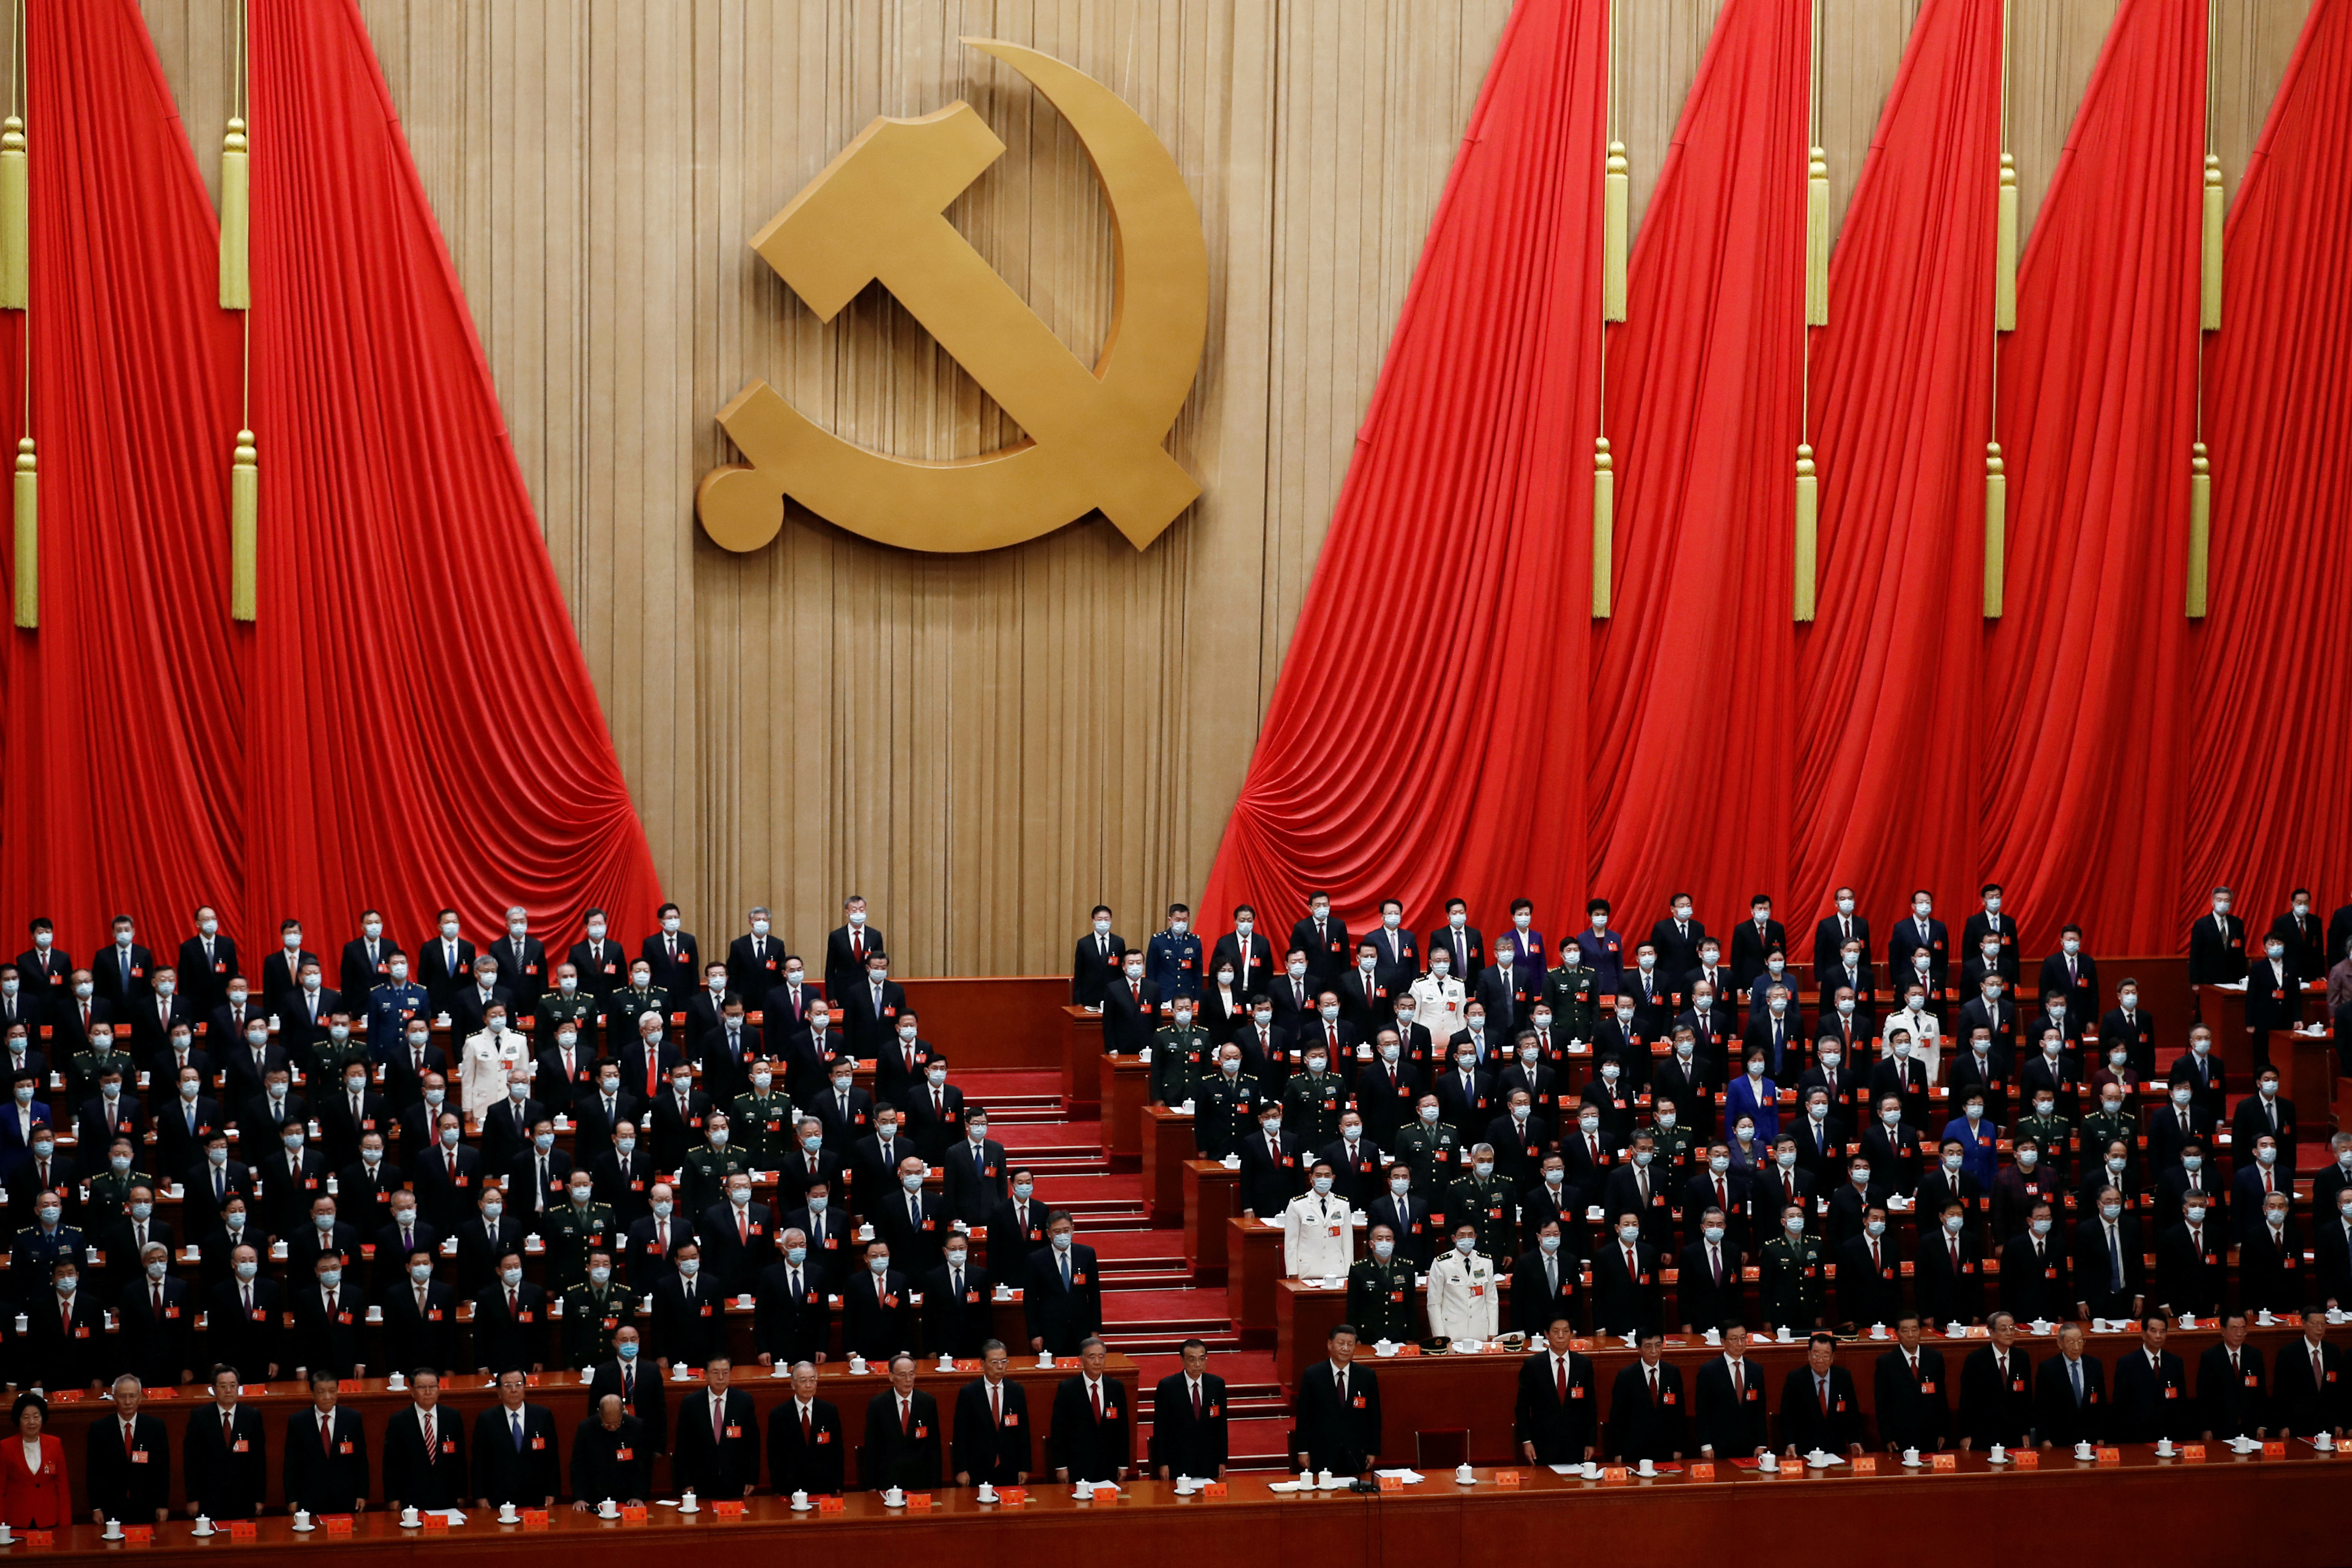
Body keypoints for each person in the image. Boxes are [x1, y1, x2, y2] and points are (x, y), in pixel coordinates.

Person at [1293, 1324, 1380, 1478]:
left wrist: (1373, 1451)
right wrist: (1303, 1450)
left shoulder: (1367, 1376)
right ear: (1330, 1344)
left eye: (1350, 1344)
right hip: (1321, 1453)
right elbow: (1304, 1416)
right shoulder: (1313, 1375)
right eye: (1341, 1343)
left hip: (1355, 1454)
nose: (1346, 1348)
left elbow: (1374, 1417)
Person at [183, 1368, 269, 1519]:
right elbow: (191, 1462)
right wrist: (193, 1498)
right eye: (223, 1386)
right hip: (209, 1498)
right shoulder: (200, 1417)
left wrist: (259, 1498)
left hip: (244, 1497)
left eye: (233, 1385)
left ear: (239, 1388)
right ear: (214, 1389)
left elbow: (259, 1461)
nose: (228, 1390)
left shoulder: (252, 1416)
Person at [85, 1375, 170, 1525]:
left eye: (132, 1396)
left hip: (147, 1506)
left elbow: (162, 1470)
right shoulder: (99, 1429)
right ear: (114, 1398)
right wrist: (96, 1507)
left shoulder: (155, 1427)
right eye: (123, 1396)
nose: (128, 1402)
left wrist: (162, 1504)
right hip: (111, 1508)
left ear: (140, 1398)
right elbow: (94, 1471)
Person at [672, 1357, 760, 1499]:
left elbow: (753, 1445)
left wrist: (752, 1479)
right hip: (700, 1482)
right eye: (715, 1373)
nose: (721, 1378)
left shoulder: (743, 1401)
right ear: (705, 1374)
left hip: (736, 1482)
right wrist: (685, 1482)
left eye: (725, 1373)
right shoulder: (691, 1403)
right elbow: (683, 1447)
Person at [472, 1369, 560, 1509]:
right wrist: (480, 1496)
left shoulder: (542, 1416)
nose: (514, 1390)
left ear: (525, 1388)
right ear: (499, 1391)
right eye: (508, 1385)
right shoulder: (487, 1419)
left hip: (536, 1495)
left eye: (519, 1385)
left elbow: (552, 1458)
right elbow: (479, 1462)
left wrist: (552, 1492)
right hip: (499, 1497)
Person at [1515, 1317, 1598, 1464]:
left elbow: (1590, 1406)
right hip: (1543, 1443)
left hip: (1575, 1444)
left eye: (1566, 1331)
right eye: (1556, 1331)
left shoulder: (1583, 1364)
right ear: (1547, 1335)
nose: (1561, 1336)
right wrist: (1526, 1441)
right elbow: (1522, 1407)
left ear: (1572, 1334)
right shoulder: (1533, 1365)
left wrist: (1590, 1442)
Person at [1048, 1338, 1131, 1483]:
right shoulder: (1068, 1389)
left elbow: (1123, 1429)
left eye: (1101, 1357)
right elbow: (1058, 1430)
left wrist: (1123, 1464)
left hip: (1109, 1465)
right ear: (1081, 1360)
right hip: (1078, 1465)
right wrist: (1061, 1466)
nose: (1097, 1362)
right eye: (1092, 1357)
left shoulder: (1116, 1388)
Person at [950, 1342, 1031, 1487]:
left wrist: (1025, 1467)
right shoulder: (969, 1393)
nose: (1000, 1367)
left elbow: (1023, 1432)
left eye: (1004, 1362)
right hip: (978, 1468)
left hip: (1010, 1467)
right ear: (982, 1363)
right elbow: (960, 1435)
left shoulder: (1016, 1391)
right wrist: (961, 1470)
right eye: (994, 1362)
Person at [860, 1355, 943, 1491]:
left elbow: (934, 1447)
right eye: (902, 1375)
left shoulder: (927, 1402)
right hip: (887, 1482)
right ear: (891, 1377)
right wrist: (871, 1486)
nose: (909, 1380)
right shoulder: (878, 1405)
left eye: (912, 1374)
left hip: (921, 1483)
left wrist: (935, 1485)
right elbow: (871, 1448)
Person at [1149, 1339, 1228, 1481]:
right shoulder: (1168, 1387)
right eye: (1192, 1360)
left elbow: (1221, 1426)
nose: (1198, 1364)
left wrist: (1223, 1460)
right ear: (1183, 1361)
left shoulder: (1217, 1385)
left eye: (1202, 1359)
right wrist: (1162, 1463)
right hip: (1178, 1462)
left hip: (1209, 1462)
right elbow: (1160, 1429)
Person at [1024, 1212, 1102, 1354]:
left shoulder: (1087, 1254)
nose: (1062, 1235)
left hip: (1081, 1332)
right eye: (1057, 1231)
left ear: (1073, 1229)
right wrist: (1035, 1334)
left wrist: (1095, 1330)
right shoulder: (1036, 1260)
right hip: (1050, 1332)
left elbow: (1094, 1295)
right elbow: (1030, 1301)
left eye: (1066, 1230)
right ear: (1049, 1233)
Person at [1778, 1333, 1866, 1458]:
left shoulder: (1843, 1377)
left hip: (1836, 1451)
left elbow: (1852, 1414)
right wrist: (1790, 1444)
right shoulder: (1795, 1379)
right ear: (1809, 1355)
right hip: (1804, 1450)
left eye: (1825, 1356)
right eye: (1816, 1355)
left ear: (1832, 1357)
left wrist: (1854, 1441)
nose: (1820, 1360)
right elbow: (1787, 1417)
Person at [1956, 1312, 2035, 1451]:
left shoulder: (2022, 1358)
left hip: (2014, 1434)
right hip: (1983, 1434)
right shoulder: (1976, 1360)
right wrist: (1966, 1434)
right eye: (2004, 1329)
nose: (2010, 1333)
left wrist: (2025, 1432)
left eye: (2012, 1328)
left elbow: (2026, 1399)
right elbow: (1967, 1400)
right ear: (1991, 1332)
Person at [1873, 1314, 1950, 1452]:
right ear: (1896, 1334)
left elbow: (1941, 1399)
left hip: (1931, 1436)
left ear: (1920, 1331)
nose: (1911, 1335)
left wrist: (1942, 1433)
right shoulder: (1886, 1363)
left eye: (1915, 1330)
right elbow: (1882, 1405)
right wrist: (1887, 1438)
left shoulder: (1935, 1358)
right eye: (1905, 1331)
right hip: (1900, 1438)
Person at [1692, 1323, 1770, 1459]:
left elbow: (1760, 1409)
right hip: (1719, 1445)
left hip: (1749, 1445)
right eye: (1734, 1339)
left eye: (1743, 1338)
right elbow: (1702, 1411)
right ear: (1723, 1342)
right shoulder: (1709, 1371)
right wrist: (1706, 1445)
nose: (1740, 1343)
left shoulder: (1756, 1370)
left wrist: (1761, 1443)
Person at [769, 1362, 847, 1496]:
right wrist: (778, 1489)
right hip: (790, 1488)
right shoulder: (779, 1414)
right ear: (793, 1384)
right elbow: (774, 1456)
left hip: (824, 1486)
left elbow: (837, 1451)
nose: (809, 1385)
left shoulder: (829, 1411)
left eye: (813, 1380)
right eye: (803, 1380)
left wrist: (838, 1485)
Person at [1605, 1332, 1686, 1462]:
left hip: (1666, 1449)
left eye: (1658, 1345)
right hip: (1634, 1450)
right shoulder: (1626, 1376)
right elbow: (1617, 1417)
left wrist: (1679, 1448)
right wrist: (1618, 1452)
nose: (1654, 1351)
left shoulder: (1673, 1373)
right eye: (1648, 1346)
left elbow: (1679, 1413)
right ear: (1638, 1349)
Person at [2273, 1310, 2346, 1441]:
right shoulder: (2289, 1353)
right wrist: (2283, 1425)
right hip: (2298, 1425)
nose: (2319, 1329)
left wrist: (2338, 1423)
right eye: (2315, 1324)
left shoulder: (2333, 1352)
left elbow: (2338, 1392)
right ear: (2304, 1324)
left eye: (2323, 1324)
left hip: (2327, 1426)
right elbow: (2280, 1393)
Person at [2197, 1311, 2268, 1442]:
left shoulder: (2255, 1355)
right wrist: (2205, 1428)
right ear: (2223, 1331)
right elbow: (2204, 1397)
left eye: (2243, 1328)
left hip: (2250, 1428)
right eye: (2234, 1328)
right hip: (2220, 1428)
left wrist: (2262, 1424)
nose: (2240, 1334)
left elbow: (2261, 1393)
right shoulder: (2210, 1357)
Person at [2032, 1323, 2107, 1447]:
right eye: (2071, 1343)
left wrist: (2101, 1436)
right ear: (2060, 1343)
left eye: (2080, 1341)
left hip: (2089, 1439)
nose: (2077, 1347)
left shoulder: (2094, 1365)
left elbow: (2101, 1404)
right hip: (2059, 1439)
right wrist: (2045, 1439)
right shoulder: (2048, 1369)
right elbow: (2041, 1408)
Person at [571, 1394, 650, 1511]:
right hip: (594, 1498)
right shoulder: (586, 1428)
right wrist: (580, 1498)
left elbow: (643, 1465)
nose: (613, 1427)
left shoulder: (636, 1427)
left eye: (617, 1423)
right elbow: (578, 1466)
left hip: (628, 1498)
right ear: (599, 1413)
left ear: (623, 1412)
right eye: (607, 1424)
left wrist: (638, 1496)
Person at [0, 1394, 65, 1529]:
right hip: (17, 1520)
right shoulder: (5, 1447)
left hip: (49, 1518)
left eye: (36, 1417)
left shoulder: (55, 1444)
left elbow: (63, 1487)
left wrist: (66, 1525)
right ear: (19, 1420)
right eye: (26, 1417)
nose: (32, 1422)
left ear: (43, 1419)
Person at [1428, 1221, 1500, 1342]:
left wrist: (1493, 1331)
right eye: (1462, 1236)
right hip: (1451, 1331)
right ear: (1454, 1239)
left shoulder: (1485, 1261)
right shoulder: (1442, 1263)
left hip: (1480, 1330)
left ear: (1475, 1237)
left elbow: (1491, 1299)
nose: (1467, 1239)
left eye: (1470, 1235)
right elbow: (1434, 1304)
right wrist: (1440, 1336)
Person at [1282, 1161, 1355, 1279]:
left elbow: (1347, 1243)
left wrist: (1348, 1272)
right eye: (1319, 1175)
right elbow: (1291, 1243)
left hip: (1337, 1271)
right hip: (1307, 1271)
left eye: (1327, 1175)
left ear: (1333, 1179)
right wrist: (1292, 1272)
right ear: (1311, 1178)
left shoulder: (1343, 1204)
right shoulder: (1298, 1205)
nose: (1323, 1179)